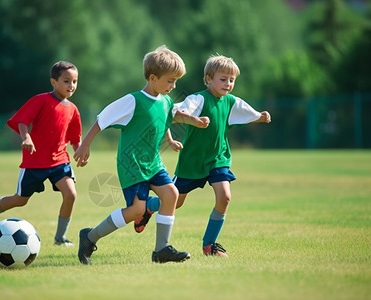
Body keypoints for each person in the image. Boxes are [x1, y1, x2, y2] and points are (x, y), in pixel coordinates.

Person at [73, 45, 210, 264]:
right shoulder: (133, 101)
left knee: (171, 194)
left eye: (176, 81)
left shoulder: (165, 100)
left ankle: (161, 250)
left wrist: (189, 125)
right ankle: (90, 237)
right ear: (153, 78)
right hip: (133, 164)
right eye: (170, 81)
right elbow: (102, 119)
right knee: (137, 211)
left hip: (153, 162)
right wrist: (84, 145)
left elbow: (169, 116)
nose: (173, 86)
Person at [134, 54, 271, 257]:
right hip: (192, 162)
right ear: (208, 79)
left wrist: (259, 116)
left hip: (218, 159)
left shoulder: (230, 101)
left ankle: (210, 246)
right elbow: (174, 114)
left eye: (232, 80)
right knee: (176, 201)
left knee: (224, 197)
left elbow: (245, 111)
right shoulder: (198, 99)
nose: (228, 84)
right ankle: (148, 208)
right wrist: (192, 120)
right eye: (223, 79)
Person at [0, 61, 83, 247]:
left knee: (71, 195)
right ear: (53, 81)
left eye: (74, 81)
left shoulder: (73, 109)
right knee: (21, 200)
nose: (71, 85)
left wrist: (80, 151)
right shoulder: (41, 100)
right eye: (66, 81)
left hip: (59, 161)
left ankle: (60, 239)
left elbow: (75, 138)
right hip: (35, 162)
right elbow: (22, 120)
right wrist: (26, 138)